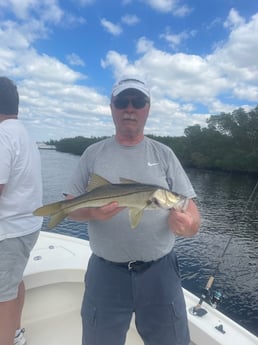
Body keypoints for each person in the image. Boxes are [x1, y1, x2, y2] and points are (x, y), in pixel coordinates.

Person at [65, 76, 201, 345]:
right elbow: (71, 208)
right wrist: (92, 212)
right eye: (122, 101)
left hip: (160, 273)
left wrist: (190, 224)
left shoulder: (164, 154)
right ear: (111, 106)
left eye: (137, 101)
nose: (130, 108)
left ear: (147, 107)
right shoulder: (93, 153)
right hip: (106, 274)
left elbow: (191, 210)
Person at [0, 77, 43, 345]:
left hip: (9, 233)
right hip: (27, 228)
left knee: (2, 296)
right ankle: (15, 333)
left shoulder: (3, 135)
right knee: (14, 283)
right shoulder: (23, 133)